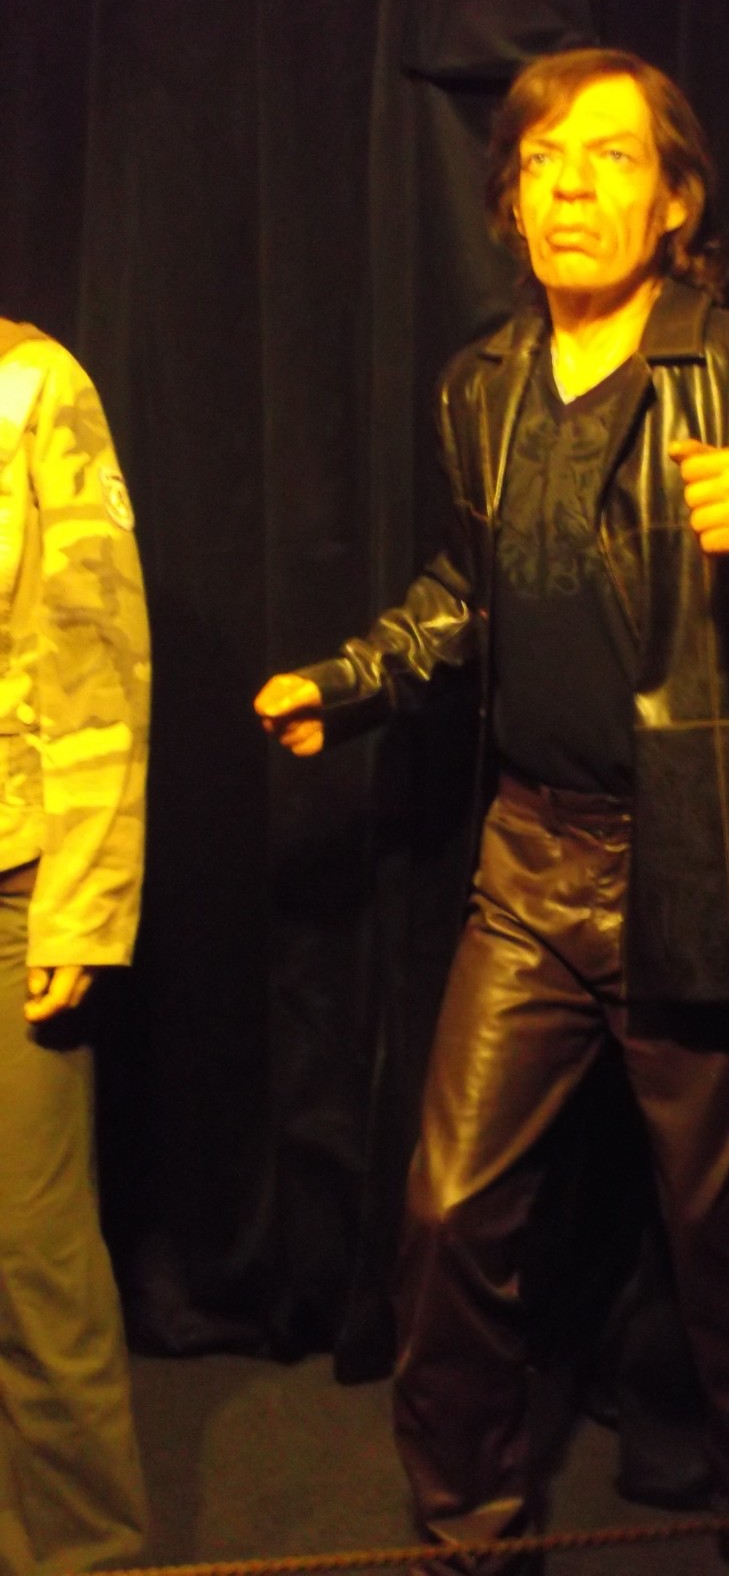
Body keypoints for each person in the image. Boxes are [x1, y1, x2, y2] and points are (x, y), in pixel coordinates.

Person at [256, 49, 729, 1576]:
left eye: (612, 156)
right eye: (542, 159)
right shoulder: (483, 384)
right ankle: (474, 1538)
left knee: (728, 1249)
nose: (570, 185)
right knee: (446, 1218)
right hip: (527, 861)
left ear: (676, 199)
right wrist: (355, 680)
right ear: (510, 200)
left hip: (690, 868)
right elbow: (471, 591)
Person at [0, 319, 151, 1575]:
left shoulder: (33, 385)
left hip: (9, 885)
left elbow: (95, 650)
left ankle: (81, 1555)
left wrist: (85, 898)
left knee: (35, 1259)